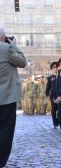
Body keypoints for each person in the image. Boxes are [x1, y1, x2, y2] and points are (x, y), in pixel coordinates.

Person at [0, 29, 26, 167]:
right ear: (3, 37)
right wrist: (14, 45)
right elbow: (22, 62)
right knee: (6, 129)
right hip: (7, 97)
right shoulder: (7, 48)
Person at [46, 62, 59, 129]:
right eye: (54, 67)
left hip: (60, 95)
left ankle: (60, 122)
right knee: (54, 110)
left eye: (56, 67)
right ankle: (55, 123)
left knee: (60, 110)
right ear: (52, 69)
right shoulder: (50, 78)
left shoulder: (60, 76)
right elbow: (47, 88)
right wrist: (47, 96)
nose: (55, 68)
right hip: (53, 96)